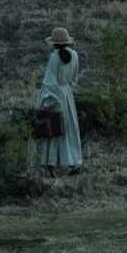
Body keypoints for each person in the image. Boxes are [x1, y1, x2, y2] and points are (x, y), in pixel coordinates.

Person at [30, 27, 83, 174]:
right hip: (67, 95)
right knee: (69, 130)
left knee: (52, 130)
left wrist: (46, 101)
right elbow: (74, 79)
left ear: (54, 43)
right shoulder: (74, 55)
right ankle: (73, 162)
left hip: (55, 96)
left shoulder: (54, 57)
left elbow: (50, 83)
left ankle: (51, 164)